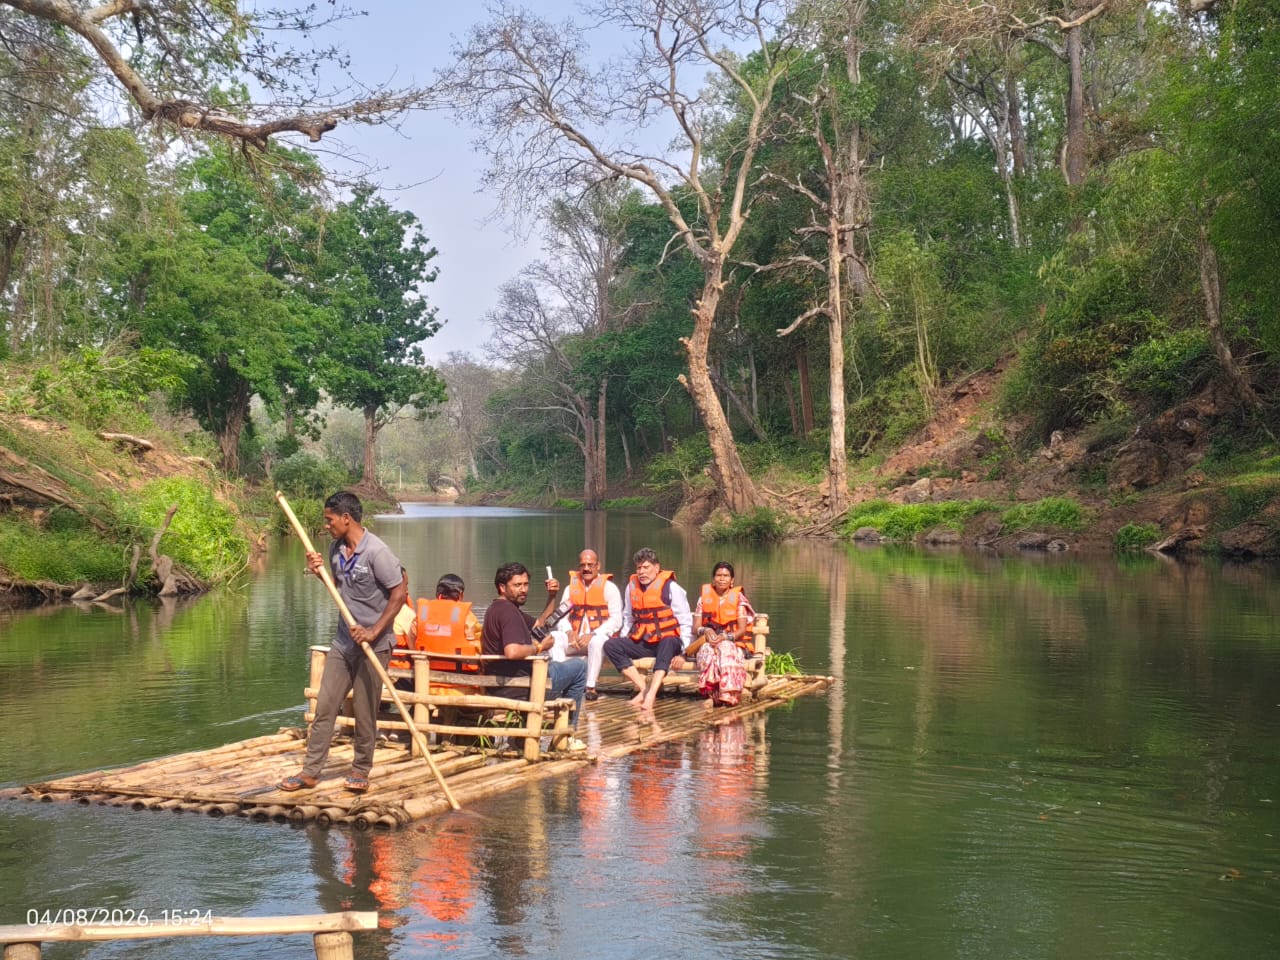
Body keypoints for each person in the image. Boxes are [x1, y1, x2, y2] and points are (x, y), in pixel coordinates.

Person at [280, 491, 406, 794]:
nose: (326, 525)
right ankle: (310, 772)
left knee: (364, 710)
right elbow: (339, 588)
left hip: (374, 644)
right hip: (344, 642)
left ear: (346, 518)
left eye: (329, 519)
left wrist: (374, 631)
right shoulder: (336, 549)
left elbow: (399, 593)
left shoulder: (377, 552)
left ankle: (361, 770)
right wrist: (320, 572)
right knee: (326, 706)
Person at [480, 562, 588, 748]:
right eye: (517, 585)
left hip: (505, 683)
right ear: (502, 587)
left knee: (562, 666)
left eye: (526, 584)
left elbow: (540, 625)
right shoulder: (508, 613)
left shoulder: (500, 608)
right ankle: (566, 737)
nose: (523, 590)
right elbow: (512, 651)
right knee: (579, 667)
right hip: (522, 687)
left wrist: (552, 597)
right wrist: (539, 647)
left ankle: (522, 737)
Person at [602, 547, 692, 718]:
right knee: (611, 645)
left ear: (656, 568)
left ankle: (651, 695)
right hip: (645, 640)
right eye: (639, 568)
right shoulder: (631, 587)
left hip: (670, 641)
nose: (642, 572)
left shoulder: (671, 587)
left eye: (646, 567)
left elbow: (685, 620)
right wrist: (624, 639)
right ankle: (644, 688)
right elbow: (628, 616)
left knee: (667, 641)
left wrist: (684, 651)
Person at [548, 549, 622, 702]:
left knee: (597, 641)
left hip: (600, 640)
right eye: (583, 565)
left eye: (590, 564)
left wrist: (593, 634)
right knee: (553, 637)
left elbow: (617, 619)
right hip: (576, 640)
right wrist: (569, 632)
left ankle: (590, 687)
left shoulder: (609, 588)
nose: (586, 568)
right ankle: (563, 680)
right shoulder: (570, 589)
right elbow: (561, 617)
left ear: (598, 566)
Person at [685, 561, 753, 707]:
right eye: (718, 575)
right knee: (708, 652)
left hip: (731, 641)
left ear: (732, 580)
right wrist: (706, 630)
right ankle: (712, 695)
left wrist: (725, 637)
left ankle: (728, 695)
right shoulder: (703, 598)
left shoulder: (739, 599)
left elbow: (742, 630)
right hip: (708, 640)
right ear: (713, 578)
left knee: (725, 651)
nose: (722, 578)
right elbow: (695, 627)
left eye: (726, 576)